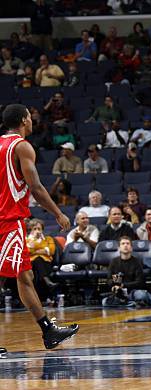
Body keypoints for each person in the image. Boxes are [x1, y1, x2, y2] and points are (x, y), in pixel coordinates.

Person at [0, 104, 78, 353]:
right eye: (31, 118)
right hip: (8, 221)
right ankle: (48, 330)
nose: (33, 121)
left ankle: (48, 331)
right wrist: (58, 213)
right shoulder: (21, 146)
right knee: (17, 277)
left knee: (25, 276)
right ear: (24, 120)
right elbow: (36, 187)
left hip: (6, 220)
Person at [105, 236, 151, 307]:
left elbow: (140, 282)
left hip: (133, 291)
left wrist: (123, 285)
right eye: (123, 244)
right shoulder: (113, 262)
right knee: (104, 302)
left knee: (141, 295)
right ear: (119, 248)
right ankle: (132, 303)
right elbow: (109, 279)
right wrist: (113, 286)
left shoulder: (137, 261)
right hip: (119, 293)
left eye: (127, 243)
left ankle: (128, 302)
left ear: (131, 248)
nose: (125, 245)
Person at [26, 219, 58, 303]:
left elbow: (51, 251)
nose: (37, 231)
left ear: (42, 229)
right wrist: (43, 249)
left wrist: (34, 249)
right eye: (34, 229)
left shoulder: (48, 239)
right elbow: (27, 251)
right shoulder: (27, 240)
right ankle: (47, 281)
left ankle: (40, 298)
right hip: (30, 263)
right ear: (31, 230)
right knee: (37, 260)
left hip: (46, 262)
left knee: (38, 260)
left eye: (39, 229)